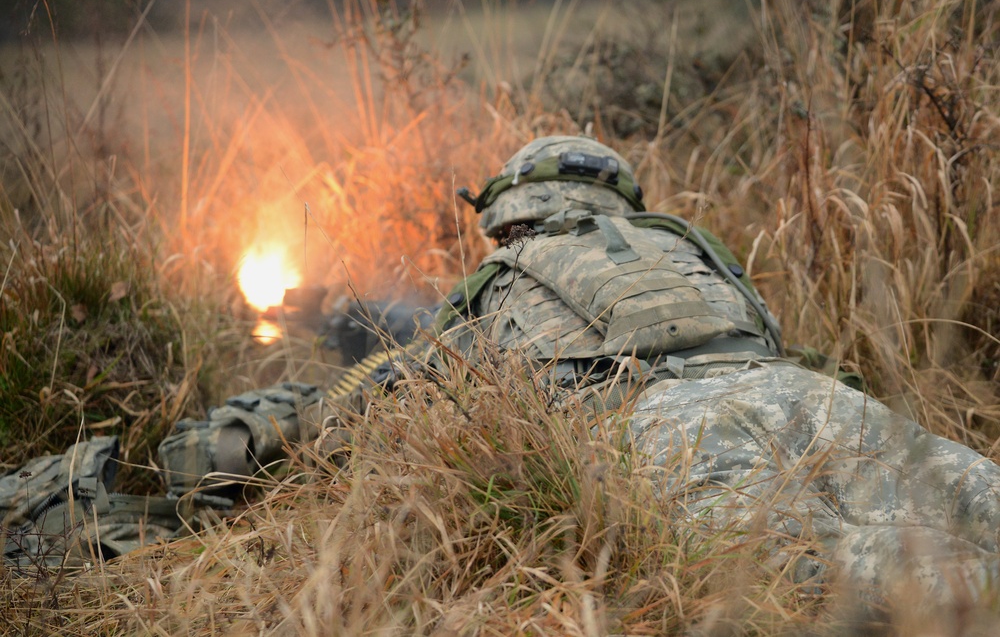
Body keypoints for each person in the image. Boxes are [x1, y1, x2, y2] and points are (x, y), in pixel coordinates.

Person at [6, 136, 1000, 619]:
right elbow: (770, 330)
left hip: (663, 422)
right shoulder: (677, 240)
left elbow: (403, 390)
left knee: (813, 576)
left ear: (514, 212)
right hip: (803, 393)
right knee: (970, 497)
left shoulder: (499, 275)